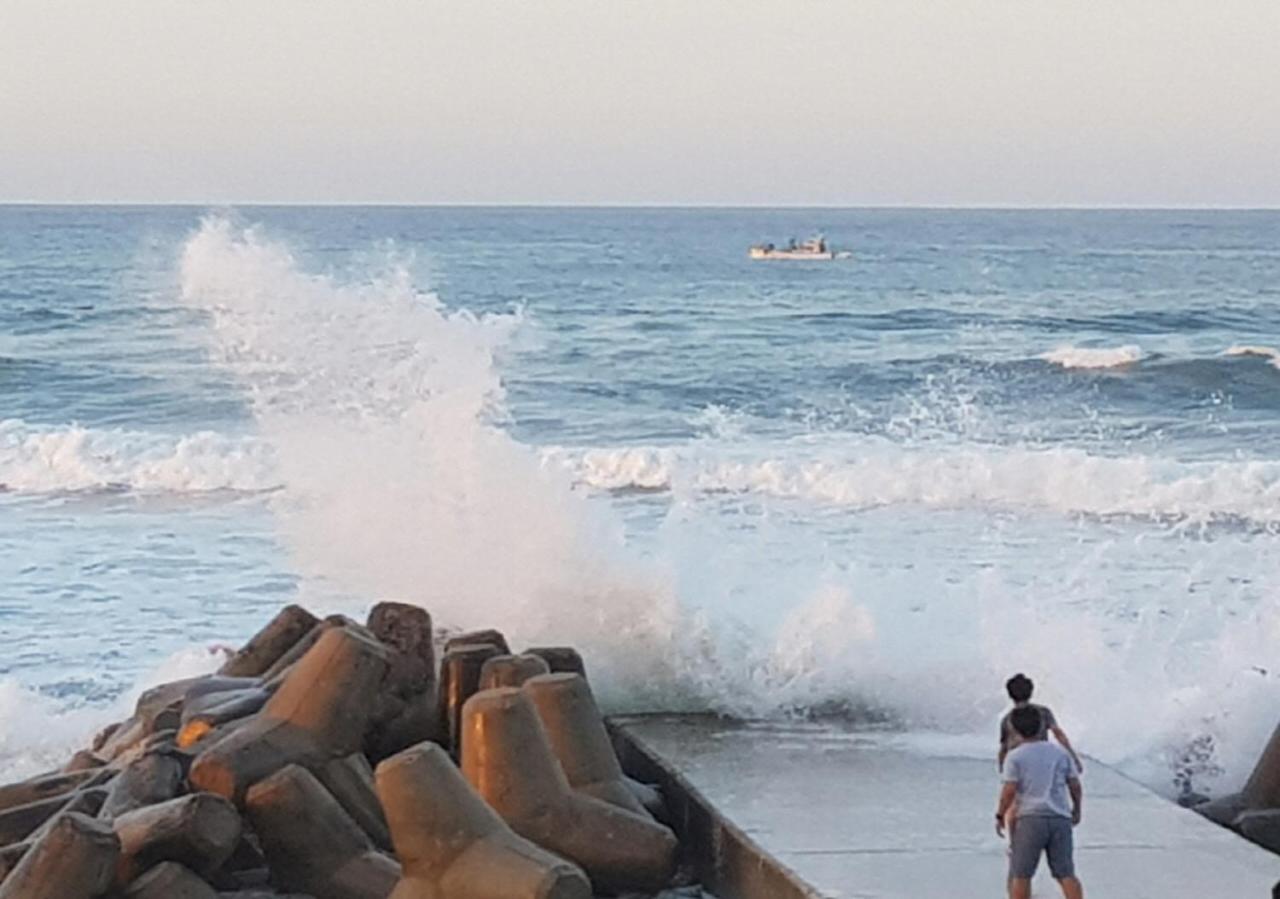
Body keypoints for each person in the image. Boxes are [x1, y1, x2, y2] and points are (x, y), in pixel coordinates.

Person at [996, 705, 1084, 899]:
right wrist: (1076, 809)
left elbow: (1009, 790)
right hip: (1060, 818)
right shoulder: (1060, 753)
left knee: (1021, 874)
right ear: (1041, 727)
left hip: (1030, 819)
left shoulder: (1015, 757)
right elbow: (1075, 785)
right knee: (1065, 873)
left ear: (1015, 730)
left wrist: (1000, 814)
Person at [998, 674, 1083, 773]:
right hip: (1042, 761)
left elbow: (1004, 749)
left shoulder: (1007, 719)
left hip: (1020, 765)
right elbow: (1059, 735)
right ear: (1031, 692)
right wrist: (1073, 757)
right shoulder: (1043, 712)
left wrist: (1002, 769)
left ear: (1010, 695)